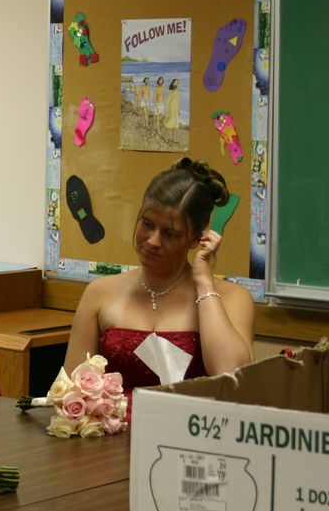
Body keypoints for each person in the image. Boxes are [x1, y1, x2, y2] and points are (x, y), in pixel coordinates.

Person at [62, 158, 254, 390]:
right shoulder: (100, 291)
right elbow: (71, 390)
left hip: (189, 424)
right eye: (147, 224)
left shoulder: (233, 298)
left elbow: (233, 380)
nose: (153, 241)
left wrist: (204, 282)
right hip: (112, 425)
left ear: (196, 239)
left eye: (170, 234)